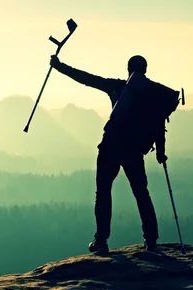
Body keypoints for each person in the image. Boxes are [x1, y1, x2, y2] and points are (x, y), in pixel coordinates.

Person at [50, 54, 167, 253]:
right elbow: (159, 122)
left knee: (103, 192)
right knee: (142, 194)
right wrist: (160, 153)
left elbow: (87, 79)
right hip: (134, 151)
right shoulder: (152, 94)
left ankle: (101, 241)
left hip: (111, 146)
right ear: (145, 71)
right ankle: (151, 240)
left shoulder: (118, 87)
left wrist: (60, 67)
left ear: (128, 70)